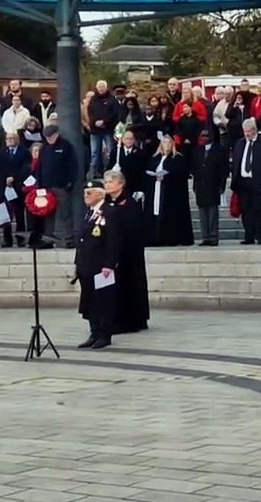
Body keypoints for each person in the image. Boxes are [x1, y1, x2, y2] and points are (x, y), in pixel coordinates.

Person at [76, 179, 121, 350]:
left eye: (89, 193)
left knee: (102, 301)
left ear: (100, 194)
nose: (85, 196)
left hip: (101, 265)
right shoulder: (88, 212)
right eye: (84, 193)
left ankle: (104, 335)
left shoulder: (109, 212)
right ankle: (94, 332)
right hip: (85, 264)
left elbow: (114, 240)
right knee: (89, 301)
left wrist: (109, 264)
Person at [103, 170, 149, 333]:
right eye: (106, 182)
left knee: (129, 284)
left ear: (121, 184)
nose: (107, 185)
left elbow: (134, 229)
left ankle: (131, 320)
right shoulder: (105, 202)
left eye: (110, 182)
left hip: (129, 252)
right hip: (110, 251)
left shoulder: (129, 203)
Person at [231, 118, 261, 245]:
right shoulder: (239, 143)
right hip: (243, 182)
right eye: (245, 131)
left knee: (260, 209)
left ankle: (260, 235)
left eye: (249, 131)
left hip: (259, 182)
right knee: (246, 209)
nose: (247, 134)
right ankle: (249, 235)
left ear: (255, 130)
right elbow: (236, 162)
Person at [143, 136, 193, 246]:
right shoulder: (154, 158)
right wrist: (154, 177)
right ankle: (154, 238)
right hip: (155, 189)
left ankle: (169, 238)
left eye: (169, 142)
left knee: (168, 214)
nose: (167, 145)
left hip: (170, 192)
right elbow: (147, 172)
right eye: (164, 142)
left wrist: (166, 177)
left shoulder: (178, 158)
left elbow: (181, 174)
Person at [191, 129, 229, 246]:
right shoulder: (197, 150)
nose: (204, 138)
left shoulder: (219, 150)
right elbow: (195, 169)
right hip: (200, 186)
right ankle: (205, 236)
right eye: (202, 136)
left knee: (212, 213)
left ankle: (213, 236)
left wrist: (221, 186)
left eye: (207, 136)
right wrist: (195, 185)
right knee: (202, 213)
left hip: (213, 185)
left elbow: (223, 169)